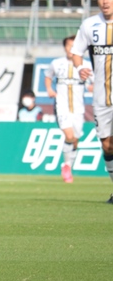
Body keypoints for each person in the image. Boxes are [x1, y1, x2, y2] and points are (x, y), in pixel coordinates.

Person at [71, 0, 113, 203]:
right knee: (107, 144)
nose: (105, 2)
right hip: (101, 95)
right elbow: (76, 52)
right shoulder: (89, 25)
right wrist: (80, 68)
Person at [45, 36, 93, 184]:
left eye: (75, 46)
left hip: (78, 108)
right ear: (64, 47)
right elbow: (48, 76)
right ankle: (66, 167)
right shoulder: (57, 63)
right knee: (69, 136)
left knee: (75, 140)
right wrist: (49, 89)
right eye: (69, 46)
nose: (71, 49)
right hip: (62, 106)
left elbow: (93, 83)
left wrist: (93, 87)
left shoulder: (86, 65)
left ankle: (68, 166)